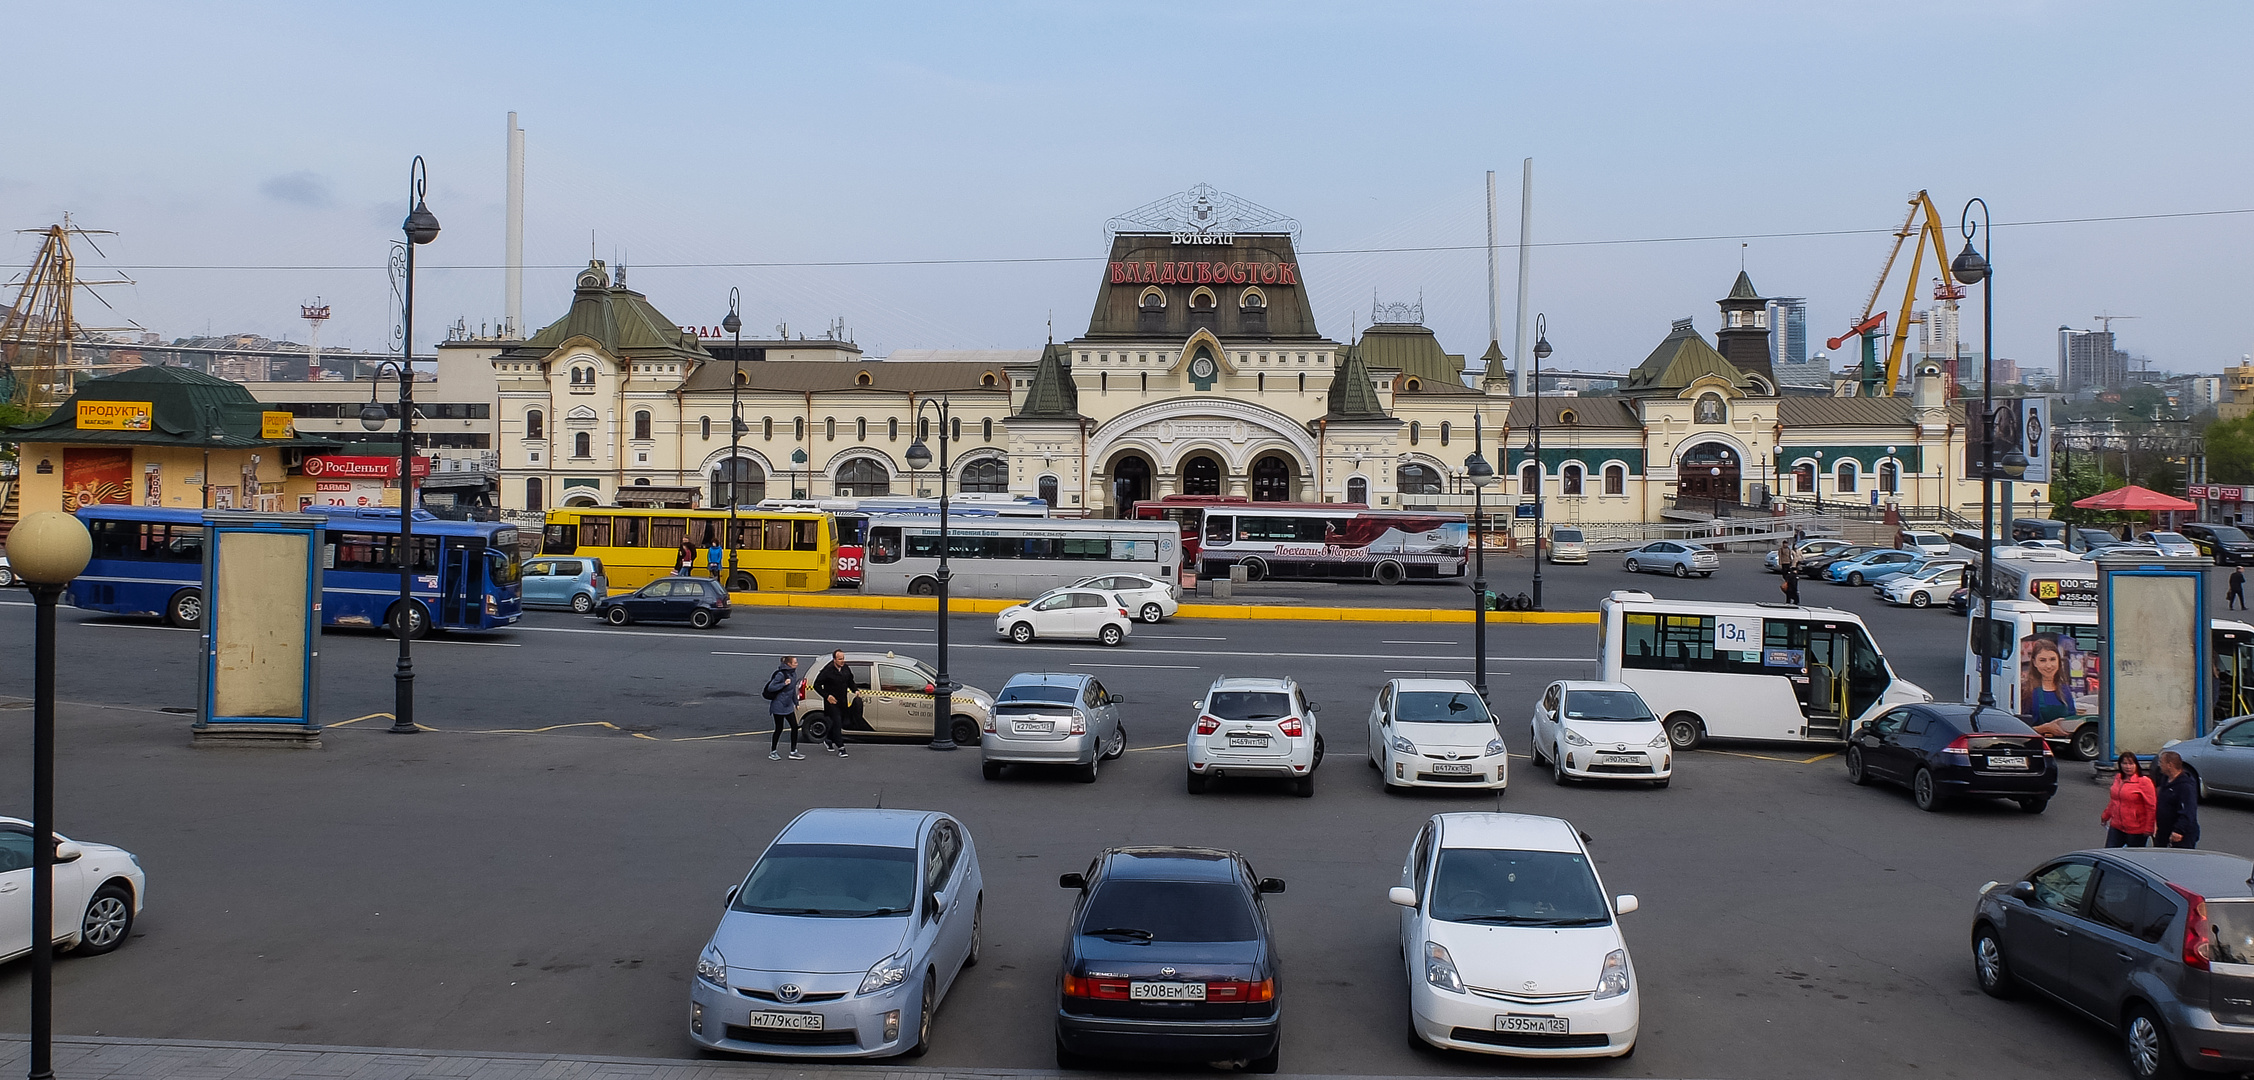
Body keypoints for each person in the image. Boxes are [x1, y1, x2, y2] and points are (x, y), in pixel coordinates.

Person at [2019, 637, 2077, 739]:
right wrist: (2045, 728)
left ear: (2059, 661)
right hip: (2038, 746)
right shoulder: (2027, 692)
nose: (2049, 666)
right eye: (2043, 660)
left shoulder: (2064, 689)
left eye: (2052, 659)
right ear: (2034, 663)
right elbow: (2021, 730)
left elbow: (2073, 718)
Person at [2099, 752, 2156, 848]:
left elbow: (2151, 807)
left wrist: (2149, 827)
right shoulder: (2118, 778)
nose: (2128, 767)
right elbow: (2114, 801)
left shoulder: (2144, 782)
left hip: (2136, 829)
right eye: (2125, 764)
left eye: (2131, 764)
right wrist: (2106, 815)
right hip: (2116, 826)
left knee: (2133, 857)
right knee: (2110, 853)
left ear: (2136, 765)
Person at [812, 649, 857, 758]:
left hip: (842, 701)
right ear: (834, 660)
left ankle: (828, 739)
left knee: (839, 722)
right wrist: (827, 696)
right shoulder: (827, 671)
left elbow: (850, 681)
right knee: (837, 722)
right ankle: (841, 748)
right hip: (832, 703)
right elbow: (816, 685)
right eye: (840, 659)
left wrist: (855, 690)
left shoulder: (845, 668)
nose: (842, 661)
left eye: (843, 658)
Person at [763, 655, 807, 761]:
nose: (797, 664)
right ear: (789, 664)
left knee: (794, 727)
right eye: (795, 662)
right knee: (779, 729)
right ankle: (773, 751)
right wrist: (783, 684)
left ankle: (793, 751)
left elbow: (792, 690)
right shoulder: (781, 674)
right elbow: (771, 687)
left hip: (788, 705)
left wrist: (796, 702)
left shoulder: (793, 673)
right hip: (778, 705)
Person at [2155, 750, 2201, 849]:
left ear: (2169, 765)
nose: (2159, 765)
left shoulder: (2186, 786)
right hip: (2164, 831)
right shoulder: (2165, 779)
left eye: (2161, 762)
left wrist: (2179, 831)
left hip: (2181, 835)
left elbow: (2188, 811)